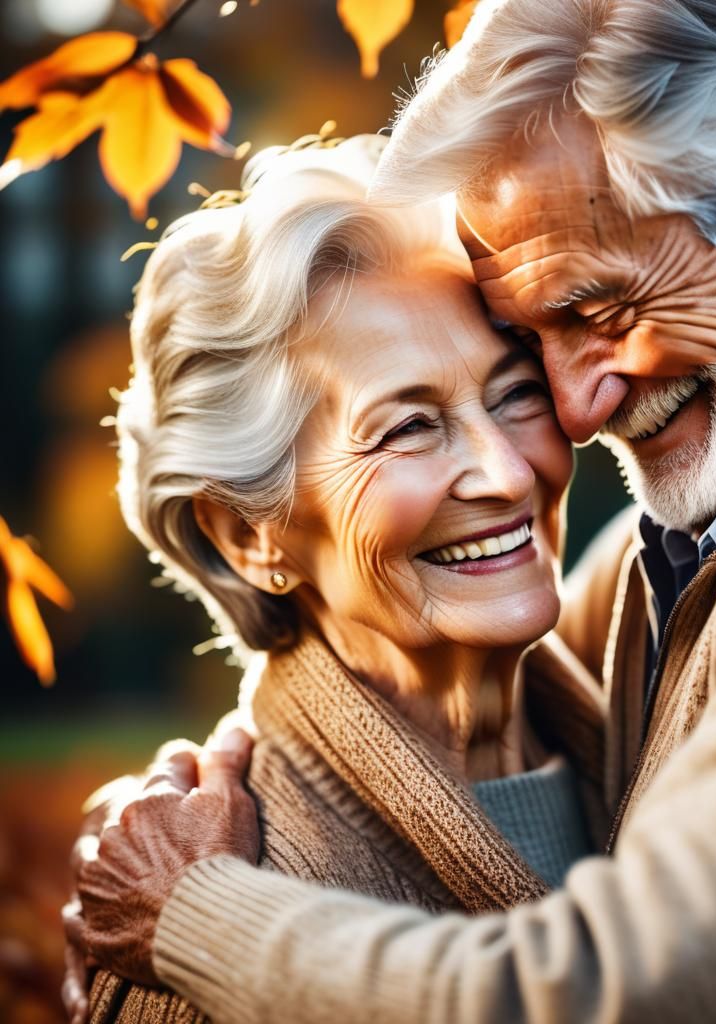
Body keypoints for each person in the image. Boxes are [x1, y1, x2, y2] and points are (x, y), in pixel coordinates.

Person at [71, 0, 716, 1020]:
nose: (568, 418)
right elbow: (416, 685)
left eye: (597, 312)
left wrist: (196, 916)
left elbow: (642, 994)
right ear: (248, 529)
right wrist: (174, 821)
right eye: (533, 349)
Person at [71, 131, 613, 1024]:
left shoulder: (646, 714)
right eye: (408, 427)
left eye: (516, 392)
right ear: (250, 537)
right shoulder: (207, 940)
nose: (508, 473)